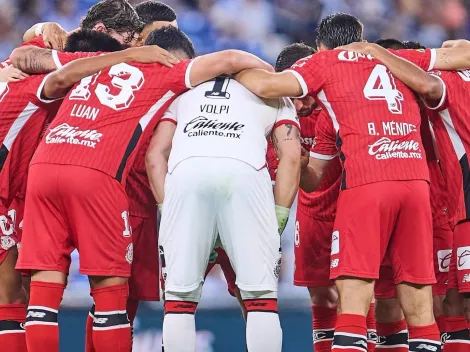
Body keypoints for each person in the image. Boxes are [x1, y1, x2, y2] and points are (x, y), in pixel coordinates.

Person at [15, 25, 272, 352]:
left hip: (44, 166)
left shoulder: (97, 60)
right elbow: (231, 58)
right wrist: (276, 78)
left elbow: (55, 80)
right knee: (110, 295)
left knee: (42, 294)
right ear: (173, 57)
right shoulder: (167, 72)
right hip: (96, 172)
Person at [235, 23, 470, 352]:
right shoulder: (397, 59)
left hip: (366, 183)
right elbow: (454, 64)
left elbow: (265, 83)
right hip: (415, 184)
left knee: (354, 303)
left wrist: (225, 65)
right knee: (419, 304)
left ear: (319, 48)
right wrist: (379, 52)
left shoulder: (326, 63)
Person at [146, 35, 300, 352]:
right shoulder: (274, 92)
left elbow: (154, 156)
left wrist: (168, 206)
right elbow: (292, 156)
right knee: (260, 299)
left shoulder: (184, 91)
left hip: (186, 173)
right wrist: (279, 215)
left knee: (179, 300)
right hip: (245, 174)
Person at [0, 29, 128, 352]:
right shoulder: (39, 85)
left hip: (13, 190)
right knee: (11, 300)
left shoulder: (20, 60)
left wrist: (42, 28)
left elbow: (35, 36)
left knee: (21, 297)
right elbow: (63, 75)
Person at [339, 39, 470, 352]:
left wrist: (376, 53)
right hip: (457, 209)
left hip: (465, 205)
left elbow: (426, 81)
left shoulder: (453, 82)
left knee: (460, 304)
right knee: (454, 305)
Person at [270, 42, 346, 352]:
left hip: (348, 208)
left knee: (356, 294)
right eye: (295, 95)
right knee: (320, 297)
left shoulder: (336, 104)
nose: (303, 103)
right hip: (311, 212)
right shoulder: (277, 114)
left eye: (306, 91)